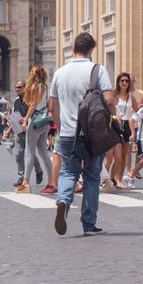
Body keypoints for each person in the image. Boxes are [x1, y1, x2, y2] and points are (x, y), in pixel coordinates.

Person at [50, 32, 109, 236]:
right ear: (91, 50)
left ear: (73, 48)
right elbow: (109, 100)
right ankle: (89, 224)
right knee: (92, 177)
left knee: (68, 172)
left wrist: (61, 128)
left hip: (67, 134)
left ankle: (63, 201)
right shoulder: (97, 70)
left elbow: (52, 107)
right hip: (92, 134)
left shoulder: (59, 73)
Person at [18, 66, 51, 194]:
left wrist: (26, 119)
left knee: (29, 153)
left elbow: (32, 105)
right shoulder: (45, 86)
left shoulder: (34, 87)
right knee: (43, 152)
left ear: (34, 75)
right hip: (44, 121)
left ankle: (25, 183)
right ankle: (52, 181)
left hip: (35, 122)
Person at [106, 73, 137, 190]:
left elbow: (137, 110)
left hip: (127, 124)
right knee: (113, 156)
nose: (124, 83)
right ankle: (106, 179)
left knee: (124, 155)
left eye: (127, 81)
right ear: (118, 82)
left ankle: (117, 179)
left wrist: (133, 121)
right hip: (115, 124)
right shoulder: (113, 95)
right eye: (122, 80)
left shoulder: (131, 97)